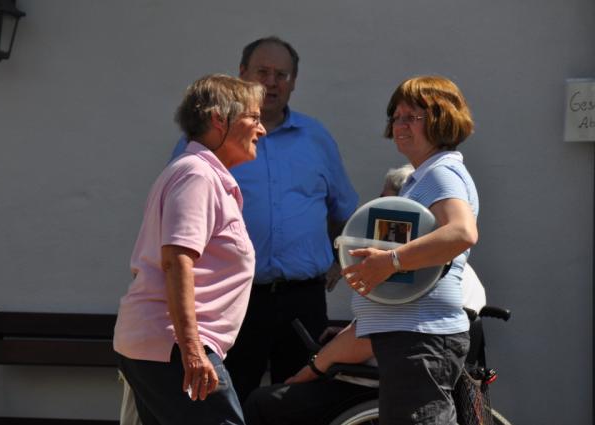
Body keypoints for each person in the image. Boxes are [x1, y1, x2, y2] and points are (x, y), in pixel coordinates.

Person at [171, 36, 359, 404]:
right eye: (263, 72)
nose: (272, 83)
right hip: (232, 299)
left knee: (302, 403)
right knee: (227, 402)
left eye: (282, 75)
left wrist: (339, 261)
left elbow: (344, 211)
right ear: (242, 74)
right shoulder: (210, 140)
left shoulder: (316, 138)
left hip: (302, 300)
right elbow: (181, 218)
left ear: (294, 81)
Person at [243, 163, 486, 425]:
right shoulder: (457, 272)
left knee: (263, 401)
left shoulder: (418, 278)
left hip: (371, 382)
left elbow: (365, 341)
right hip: (398, 371)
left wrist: (310, 369)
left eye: (386, 203)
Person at [113, 74, 266, 425]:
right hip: (173, 347)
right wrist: (193, 350)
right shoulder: (197, 175)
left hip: (165, 346)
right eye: (254, 118)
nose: (262, 129)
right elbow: (176, 261)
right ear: (218, 119)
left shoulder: (201, 174)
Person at [343, 75, 478, 425]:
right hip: (413, 337)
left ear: (441, 120)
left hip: (421, 338)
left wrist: (390, 262)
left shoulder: (440, 173)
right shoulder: (425, 175)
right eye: (396, 117)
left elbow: (462, 231)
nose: (399, 125)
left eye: (412, 117)